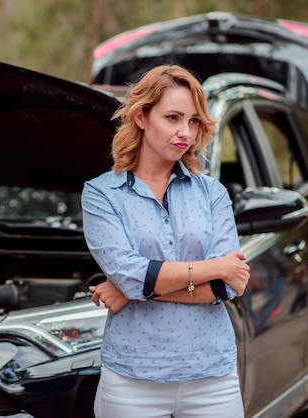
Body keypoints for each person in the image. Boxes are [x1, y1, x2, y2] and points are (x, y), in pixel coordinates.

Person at [81, 64, 250, 418]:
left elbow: (228, 286)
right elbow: (131, 275)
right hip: (131, 380)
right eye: (173, 118)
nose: (185, 132)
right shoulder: (102, 194)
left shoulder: (212, 194)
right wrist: (214, 266)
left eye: (192, 121)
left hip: (212, 378)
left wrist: (132, 288)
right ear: (141, 116)